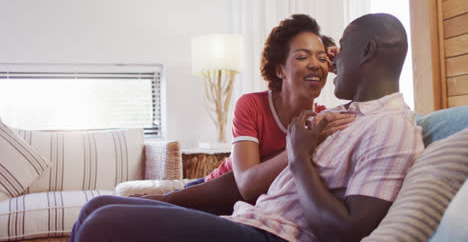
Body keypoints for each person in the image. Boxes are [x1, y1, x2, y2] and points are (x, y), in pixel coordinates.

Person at [70, 13, 424, 242]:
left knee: (103, 224)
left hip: (273, 234)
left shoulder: (390, 128)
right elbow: (240, 184)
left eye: (334, 53)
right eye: (308, 55)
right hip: (244, 211)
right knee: (95, 207)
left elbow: (346, 231)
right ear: (281, 69)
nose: (329, 60)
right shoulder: (345, 114)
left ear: (367, 52)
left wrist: (298, 153)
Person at [129, 14, 354, 214]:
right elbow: (246, 185)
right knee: (117, 208)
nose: (316, 65)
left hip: (252, 210)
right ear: (279, 70)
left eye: (323, 59)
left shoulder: (325, 120)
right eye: (303, 57)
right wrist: (299, 147)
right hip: (209, 193)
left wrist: (348, 66)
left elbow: (368, 101)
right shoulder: (253, 105)